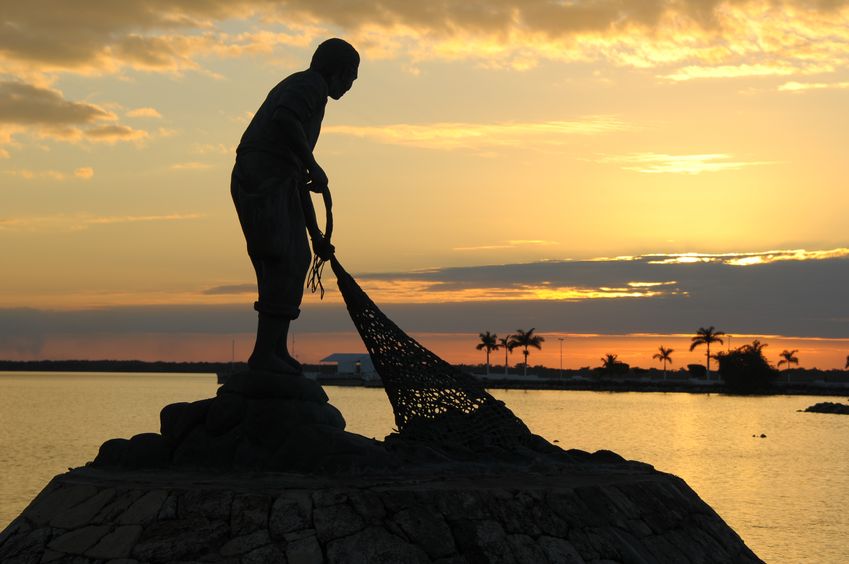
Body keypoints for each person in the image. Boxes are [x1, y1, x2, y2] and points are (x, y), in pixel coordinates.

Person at [231, 38, 359, 373]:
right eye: (351, 77)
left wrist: (316, 235)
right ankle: (265, 354)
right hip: (261, 175)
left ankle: (271, 350)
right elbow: (284, 119)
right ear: (338, 72)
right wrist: (313, 164)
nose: (351, 85)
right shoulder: (309, 84)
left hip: (275, 177)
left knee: (294, 258)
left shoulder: (313, 94)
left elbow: (298, 183)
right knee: (282, 258)